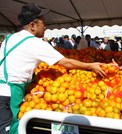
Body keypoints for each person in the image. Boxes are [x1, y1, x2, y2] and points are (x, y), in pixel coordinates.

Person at [0, 3, 106, 134]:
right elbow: (65, 63)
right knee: (9, 129)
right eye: (43, 23)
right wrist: (90, 66)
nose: (45, 26)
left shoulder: (9, 38)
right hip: (9, 93)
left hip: (6, 88)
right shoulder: (35, 43)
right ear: (33, 25)